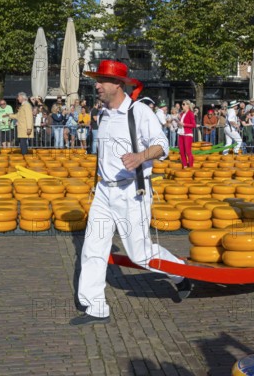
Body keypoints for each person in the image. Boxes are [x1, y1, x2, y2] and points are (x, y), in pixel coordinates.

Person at [71, 60, 193, 326]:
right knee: (93, 247)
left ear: (118, 84)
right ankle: (95, 307)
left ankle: (181, 274)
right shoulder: (102, 114)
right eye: (97, 80)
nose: (97, 86)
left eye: (102, 81)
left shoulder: (138, 112)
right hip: (104, 191)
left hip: (132, 191)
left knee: (140, 254)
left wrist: (140, 157)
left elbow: (162, 145)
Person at [177, 99, 196, 168]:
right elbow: (181, 124)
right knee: (181, 152)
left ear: (188, 105)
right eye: (182, 104)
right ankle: (185, 165)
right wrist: (179, 123)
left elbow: (194, 125)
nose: (182, 106)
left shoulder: (190, 113)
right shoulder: (182, 114)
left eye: (184, 104)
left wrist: (184, 124)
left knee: (188, 151)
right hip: (181, 133)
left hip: (187, 134)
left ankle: (191, 166)